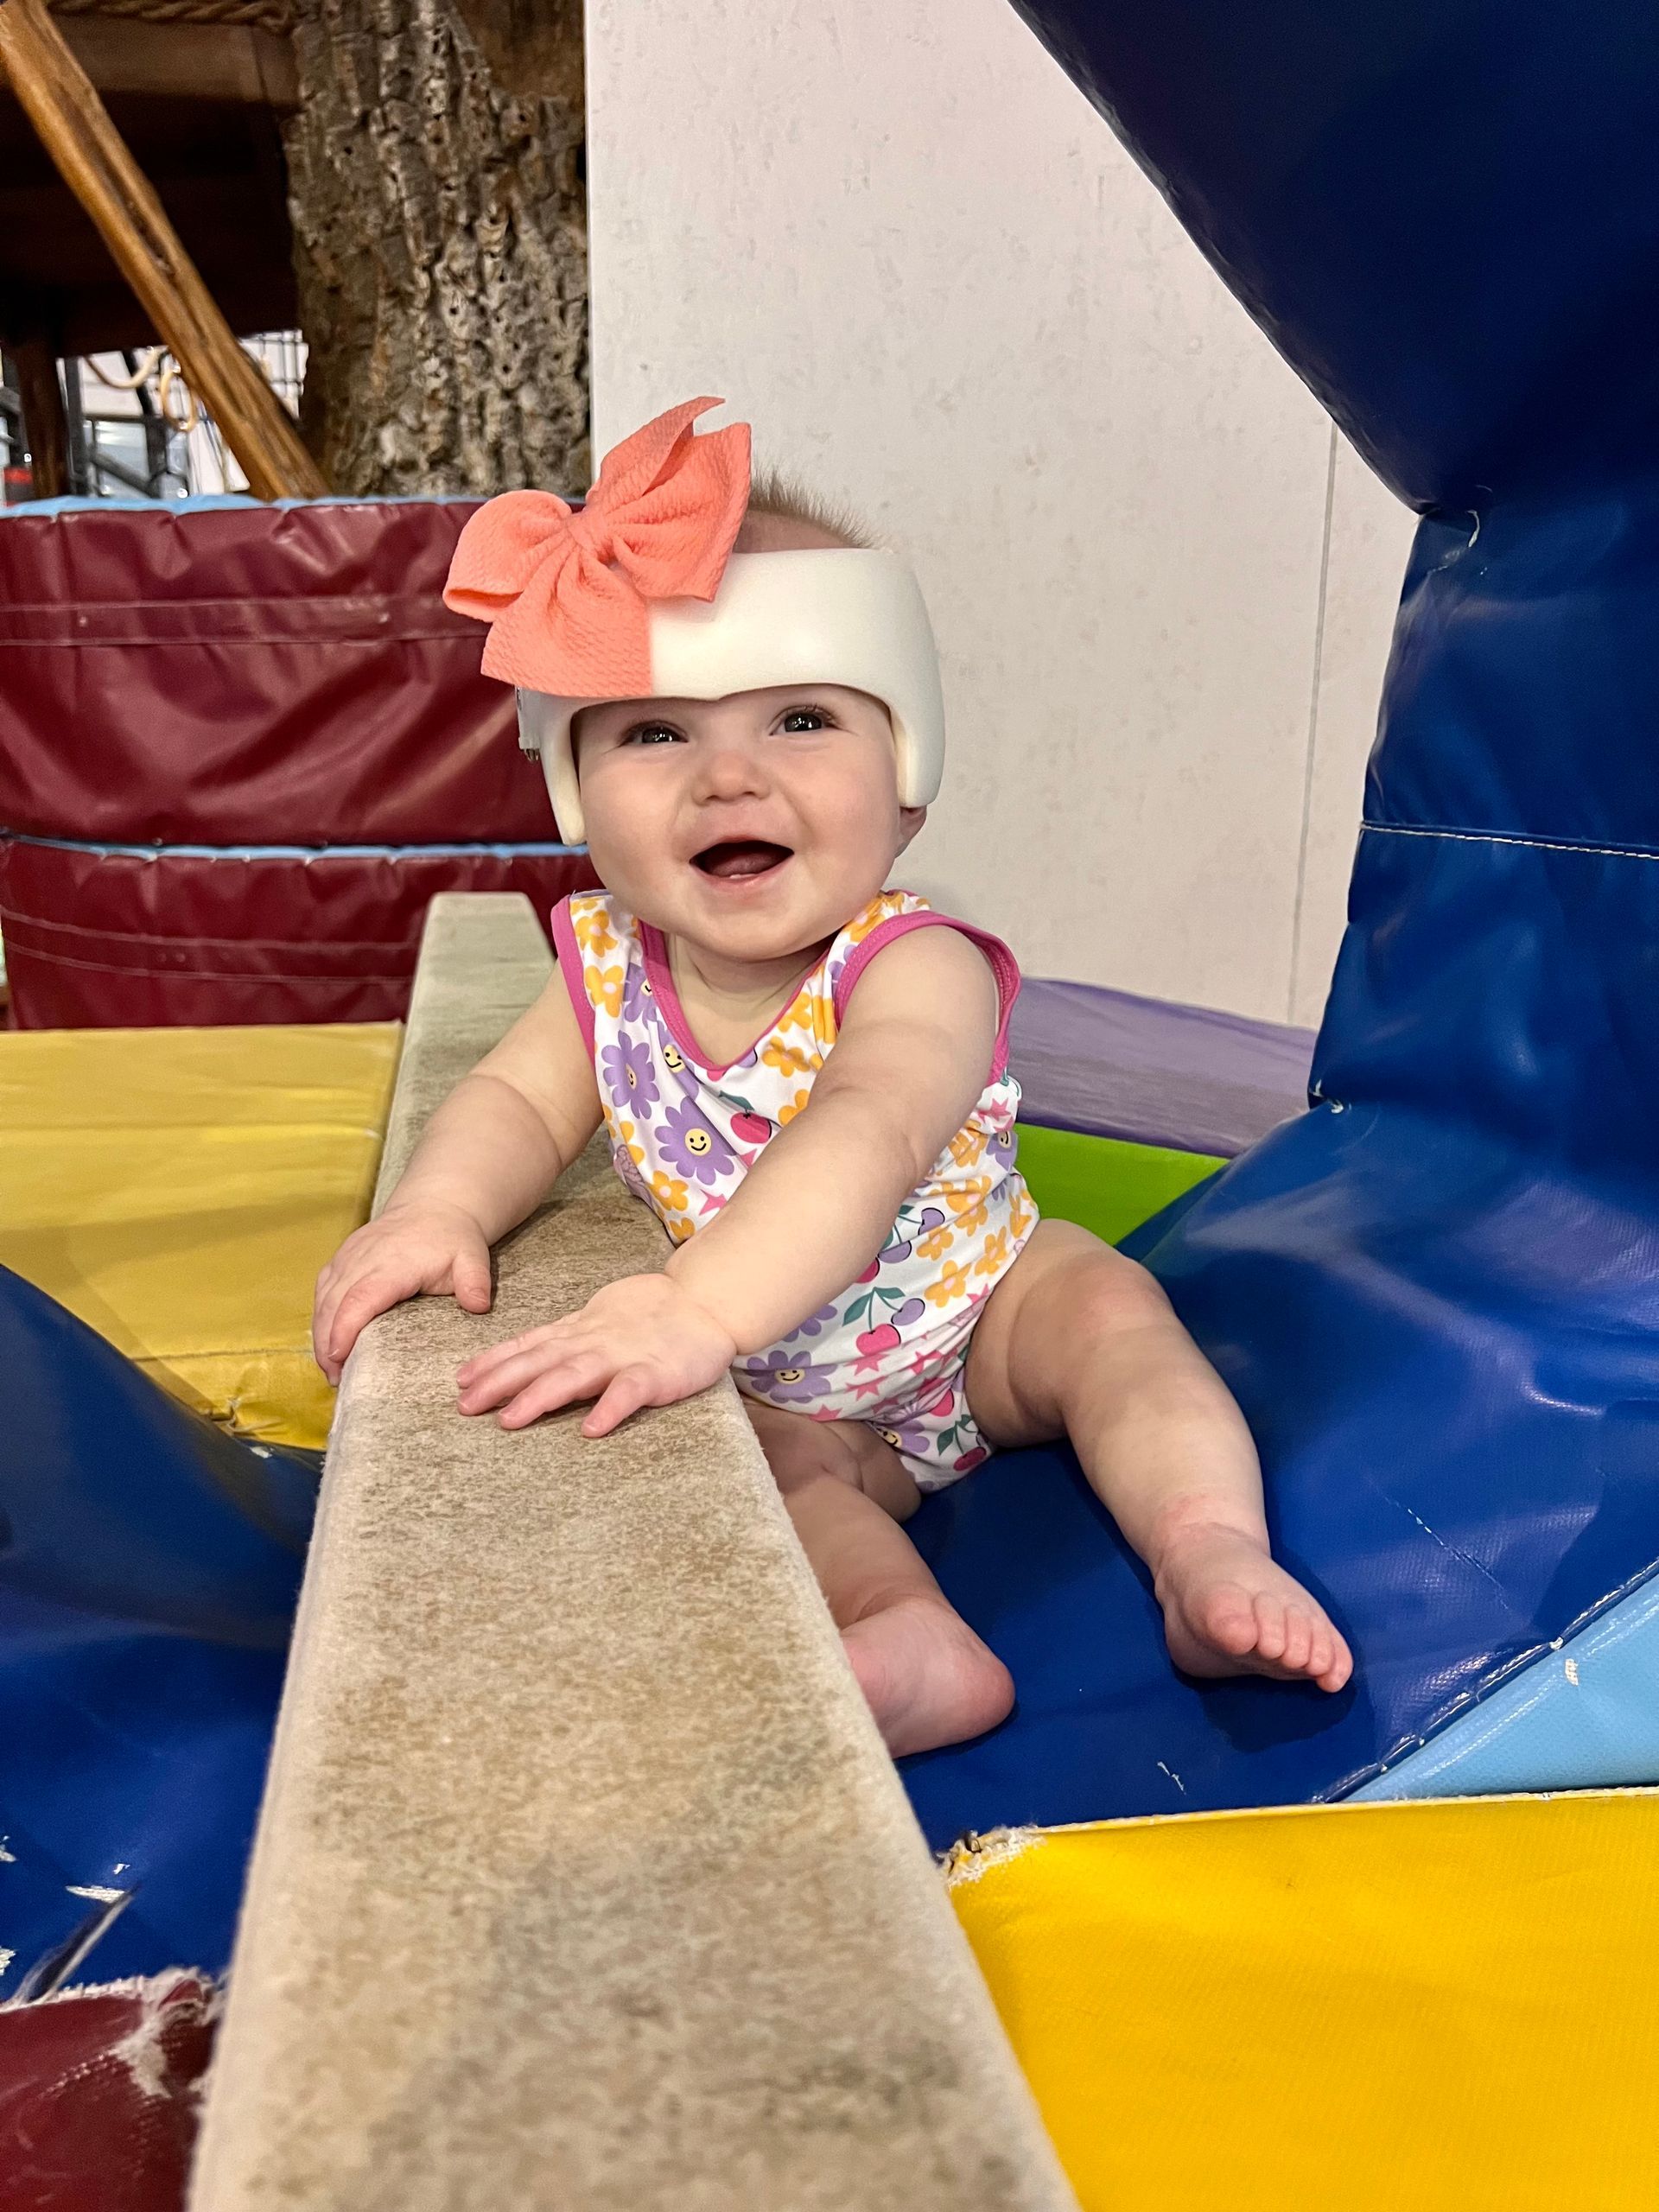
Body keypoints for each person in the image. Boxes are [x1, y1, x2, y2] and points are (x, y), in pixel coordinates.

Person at [313, 397, 1351, 1755]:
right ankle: (909, 1637)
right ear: (573, 793)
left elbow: (864, 1134)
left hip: (980, 1322)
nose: (727, 776)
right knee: (762, 1471)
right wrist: (440, 1210)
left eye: (799, 718)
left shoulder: (916, 967)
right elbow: (514, 1104)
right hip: (791, 1383)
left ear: (905, 772)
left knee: (1116, 1323)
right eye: (653, 734)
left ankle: (1208, 1549)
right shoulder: (608, 967)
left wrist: (694, 1306)